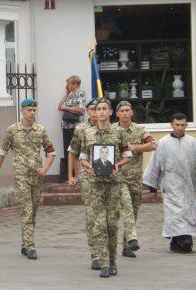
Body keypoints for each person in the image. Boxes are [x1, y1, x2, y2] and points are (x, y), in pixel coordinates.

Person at [0, 98, 56, 260]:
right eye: (29, 110)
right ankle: (30, 246)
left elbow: (51, 152)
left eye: (34, 110)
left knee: (34, 210)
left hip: (37, 176)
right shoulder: (13, 130)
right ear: (22, 111)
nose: (32, 113)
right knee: (26, 210)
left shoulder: (40, 130)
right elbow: (2, 152)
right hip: (21, 176)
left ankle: (25, 242)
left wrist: (45, 168)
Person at [143, 113, 196, 252]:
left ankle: (180, 241)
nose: (180, 128)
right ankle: (183, 240)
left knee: (188, 212)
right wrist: (152, 187)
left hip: (189, 183)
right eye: (177, 125)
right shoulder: (163, 143)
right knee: (175, 213)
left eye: (183, 125)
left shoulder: (193, 142)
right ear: (171, 125)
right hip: (171, 184)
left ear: (186, 125)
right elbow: (155, 164)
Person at [80, 98, 133, 278]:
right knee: (99, 225)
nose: (101, 112)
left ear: (111, 112)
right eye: (98, 109)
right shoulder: (87, 133)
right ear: (94, 113)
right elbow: (83, 157)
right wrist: (89, 167)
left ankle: (112, 261)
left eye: (104, 109)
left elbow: (128, 155)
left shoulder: (119, 132)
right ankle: (103, 263)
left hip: (113, 183)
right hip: (95, 184)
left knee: (111, 224)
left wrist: (118, 165)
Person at [112, 101, 156, 258]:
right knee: (124, 209)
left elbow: (152, 145)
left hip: (135, 178)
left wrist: (136, 148)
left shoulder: (140, 129)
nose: (124, 113)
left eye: (127, 110)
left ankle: (127, 246)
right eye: (121, 111)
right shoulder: (112, 130)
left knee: (134, 211)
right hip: (118, 177)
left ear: (131, 113)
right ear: (117, 114)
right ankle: (125, 240)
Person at [68, 99, 102, 269]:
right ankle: (95, 254)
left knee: (110, 217)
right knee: (92, 216)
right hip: (88, 178)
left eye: (100, 109)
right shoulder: (81, 129)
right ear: (88, 111)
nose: (96, 112)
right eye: (93, 109)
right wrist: (73, 175)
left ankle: (107, 251)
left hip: (109, 180)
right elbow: (72, 151)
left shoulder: (112, 129)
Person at [58, 75, 86, 182]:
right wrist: (66, 94)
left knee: (74, 150)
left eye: (69, 83)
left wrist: (66, 108)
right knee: (68, 150)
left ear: (75, 84)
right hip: (66, 126)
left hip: (75, 126)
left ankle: (77, 175)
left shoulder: (80, 93)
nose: (67, 85)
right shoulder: (70, 95)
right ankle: (71, 175)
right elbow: (60, 106)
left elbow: (81, 110)